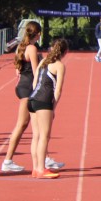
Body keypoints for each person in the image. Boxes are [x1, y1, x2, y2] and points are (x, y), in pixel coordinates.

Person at [2, 21, 64, 173]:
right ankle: (8, 160)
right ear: (38, 34)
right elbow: (38, 72)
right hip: (29, 88)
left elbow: (17, 69)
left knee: (38, 128)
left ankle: (45, 158)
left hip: (23, 85)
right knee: (22, 124)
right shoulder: (31, 48)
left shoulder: (21, 47)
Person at [27, 39, 69, 179]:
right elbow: (58, 90)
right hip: (44, 101)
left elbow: (34, 82)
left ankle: (35, 168)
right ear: (65, 52)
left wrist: (35, 96)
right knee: (44, 136)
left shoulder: (43, 61)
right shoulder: (59, 65)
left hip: (32, 99)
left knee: (36, 136)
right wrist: (53, 108)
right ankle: (41, 168)